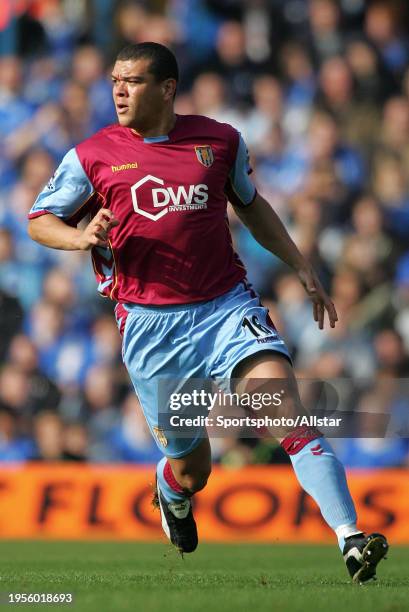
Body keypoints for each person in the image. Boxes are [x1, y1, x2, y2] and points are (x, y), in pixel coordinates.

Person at [28, 42, 388, 583]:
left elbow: (252, 204)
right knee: (193, 470)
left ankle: (351, 540)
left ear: (168, 87)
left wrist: (299, 264)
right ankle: (171, 492)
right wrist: (79, 238)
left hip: (225, 306)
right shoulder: (92, 154)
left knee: (286, 414)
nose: (119, 91)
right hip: (151, 326)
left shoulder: (218, 141)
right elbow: (39, 218)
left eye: (133, 80)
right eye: (114, 81)